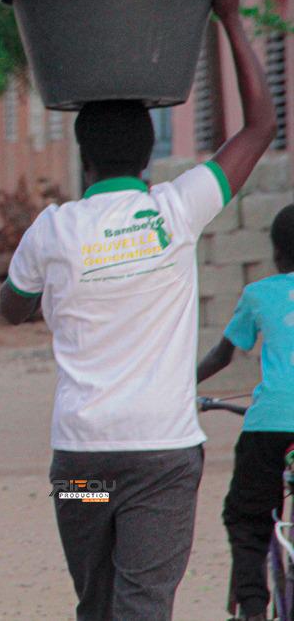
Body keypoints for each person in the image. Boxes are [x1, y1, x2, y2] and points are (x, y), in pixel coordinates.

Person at [0, 0, 276, 621]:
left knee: (95, 605)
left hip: (84, 461)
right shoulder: (174, 211)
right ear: (150, 155)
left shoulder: (53, 229)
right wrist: (227, 19)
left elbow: (12, 308)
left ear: (82, 157)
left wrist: (60, 291)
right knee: (143, 606)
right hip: (160, 458)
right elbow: (261, 126)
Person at [198, 203, 294, 621]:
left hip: (269, 426)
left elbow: (223, 355)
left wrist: (177, 386)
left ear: (276, 254)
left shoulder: (259, 294)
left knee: (247, 518)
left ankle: (252, 607)